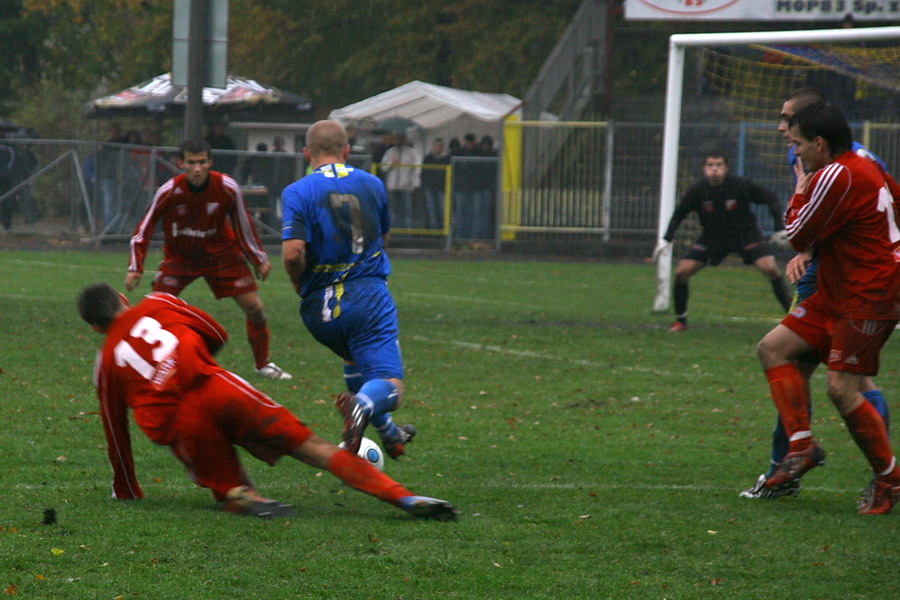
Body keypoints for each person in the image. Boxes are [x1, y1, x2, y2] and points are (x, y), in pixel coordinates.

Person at [76, 282, 457, 521]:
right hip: (216, 385)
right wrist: (203, 355)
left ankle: (240, 494)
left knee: (226, 485)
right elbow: (215, 331)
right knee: (313, 447)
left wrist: (126, 489)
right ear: (123, 299)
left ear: (94, 327)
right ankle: (402, 497)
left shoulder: (107, 363)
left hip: (180, 424)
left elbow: (115, 430)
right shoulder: (158, 302)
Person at [741, 87, 892, 500]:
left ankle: (886, 478)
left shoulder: (837, 168)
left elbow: (802, 226)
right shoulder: (854, 159)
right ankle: (797, 453)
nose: (782, 129)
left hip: (861, 287)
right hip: (834, 280)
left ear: (816, 135)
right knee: (778, 352)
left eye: (789, 122)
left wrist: (802, 205)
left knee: (844, 385)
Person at [280, 120, 415, 460]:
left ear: (306, 152)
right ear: (345, 151)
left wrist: (299, 283)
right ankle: (363, 407)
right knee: (391, 388)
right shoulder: (372, 184)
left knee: (355, 360)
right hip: (365, 297)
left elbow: (293, 252)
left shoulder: (297, 191)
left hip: (319, 310)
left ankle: (390, 435)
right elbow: (383, 239)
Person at [125, 138, 291, 381]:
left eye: (202, 162)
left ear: (210, 162)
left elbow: (243, 224)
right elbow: (144, 228)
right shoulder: (169, 191)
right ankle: (147, 364)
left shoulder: (226, 187)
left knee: (255, 308)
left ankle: (263, 365)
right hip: (181, 258)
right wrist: (135, 267)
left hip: (222, 256)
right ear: (181, 163)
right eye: (191, 162)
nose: (197, 168)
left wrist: (258, 259)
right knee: (155, 312)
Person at [652, 151, 793, 331]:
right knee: (681, 272)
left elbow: (771, 198)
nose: (715, 169)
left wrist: (779, 227)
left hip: (745, 235)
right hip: (713, 238)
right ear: (704, 168)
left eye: (719, 165)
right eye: (710, 165)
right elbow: (679, 214)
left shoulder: (740, 185)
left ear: (726, 168)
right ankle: (681, 320)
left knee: (770, 269)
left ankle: (792, 319)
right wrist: (666, 240)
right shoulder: (697, 190)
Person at [380, 132, 422, 229]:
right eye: (398, 139)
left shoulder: (412, 153)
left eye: (402, 138)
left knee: (407, 211)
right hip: (392, 186)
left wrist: (413, 182)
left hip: (406, 187)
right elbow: (383, 168)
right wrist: (391, 162)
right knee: (393, 211)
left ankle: (407, 233)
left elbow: (417, 168)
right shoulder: (390, 152)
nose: (399, 141)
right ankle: (393, 232)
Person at [421, 138, 451, 230]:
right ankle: (434, 233)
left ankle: (444, 232)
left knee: (443, 211)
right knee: (432, 211)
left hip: (442, 188)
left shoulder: (446, 158)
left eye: (439, 146)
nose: (437, 148)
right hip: (430, 188)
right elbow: (423, 172)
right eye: (436, 145)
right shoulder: (428, 158)